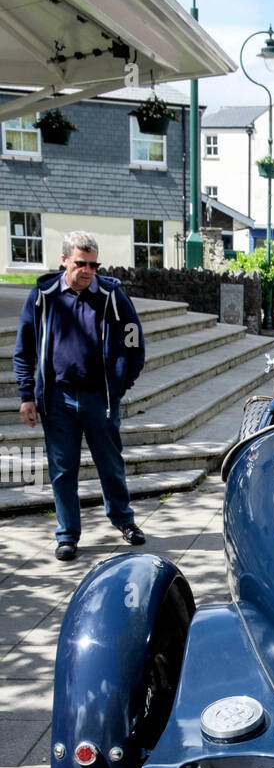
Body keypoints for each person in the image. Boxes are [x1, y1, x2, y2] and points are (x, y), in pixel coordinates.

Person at [13, 230, 146, 562]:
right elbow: (24, 349)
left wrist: (119, 385)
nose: (87, 270)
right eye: (80, 264)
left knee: (110, 464)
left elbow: (134, 342)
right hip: (56, 399)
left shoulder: (113, 297)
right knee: (62, 469)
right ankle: (67, 535)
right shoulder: (43, 297)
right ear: (64, 261)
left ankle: (124, 520)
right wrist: (27, 395)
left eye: (93, 264)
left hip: (99, 399)